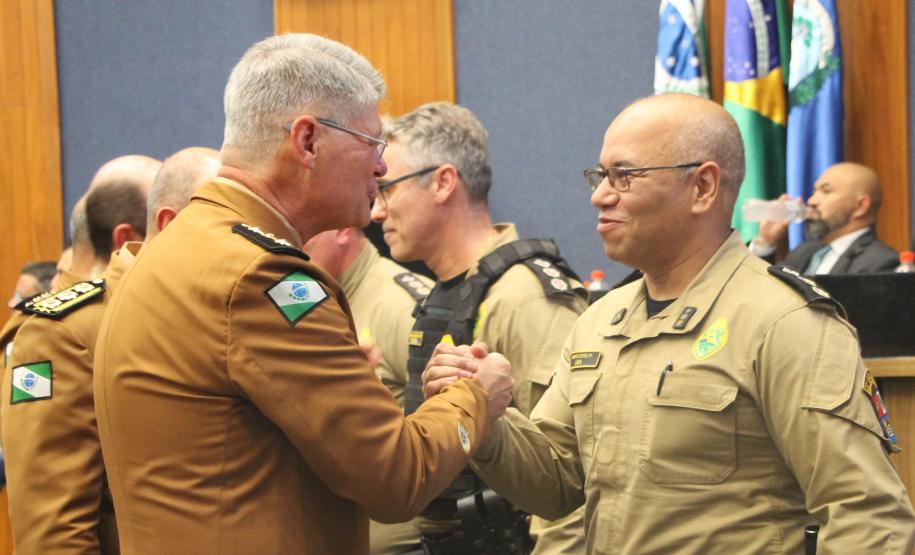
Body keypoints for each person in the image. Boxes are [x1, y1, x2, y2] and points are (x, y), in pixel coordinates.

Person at [424, 93, 915, 554]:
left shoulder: (784, 322)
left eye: (624, 176)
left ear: (702, 186)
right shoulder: (600, 321)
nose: (600, 197)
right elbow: (555, 484)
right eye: (599, 176)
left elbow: (867, 516)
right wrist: (485, 416)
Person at [93, 34, 512, 555]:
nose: (381, 168)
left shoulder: (173, 247)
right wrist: (476, 397)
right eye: (372, 144)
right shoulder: (258, 280)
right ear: (309, 141)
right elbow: (396, 477)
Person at [371, 101, 588, 554]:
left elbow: (570, 469)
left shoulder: (524, 295)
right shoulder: (445, 292)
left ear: (444, 183)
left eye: (387, 189)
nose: (376, 211)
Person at [0, 154, 161, 554]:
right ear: (126, 238)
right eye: (167, 226)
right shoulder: (56, 332)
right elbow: (51, 524)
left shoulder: (135, 312)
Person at [304, 227, 432, 554]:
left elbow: (455, 431)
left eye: (306, 232)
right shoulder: (309, 298)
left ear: (344, 229)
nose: (290, 241)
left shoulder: (402, 306)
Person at [749, 162, 898, 274]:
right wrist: (766, 244)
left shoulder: (882, 263)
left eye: (826, 191)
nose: (811, 201)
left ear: (860, 206)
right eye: (814, 191)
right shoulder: (803, 252)